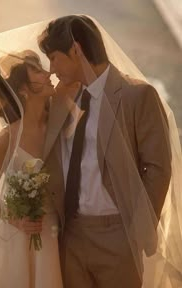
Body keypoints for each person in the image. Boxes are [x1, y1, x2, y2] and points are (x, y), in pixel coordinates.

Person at [37, 15, 172, 288]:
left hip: (117, 237)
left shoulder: (138, 95)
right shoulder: (64, 98)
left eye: (54, 57)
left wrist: (134, 233)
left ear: (76, 50)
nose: (51, 69)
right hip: (71, 236)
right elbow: (20, 117)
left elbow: (158, 168)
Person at [0, 47, 63, 288]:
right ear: (24, 91)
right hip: (15, 239)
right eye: (38, 71)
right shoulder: (6, 140)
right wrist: (16, 219)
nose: (49, 74)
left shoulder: (59, 126)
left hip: (53, 234)